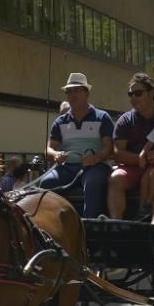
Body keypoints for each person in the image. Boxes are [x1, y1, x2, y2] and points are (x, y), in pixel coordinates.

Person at [38, 72, 114, 218]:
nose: (73, 95)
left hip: (94, 167)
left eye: (77, 90)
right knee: (46, 182)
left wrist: (96, 158)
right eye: (69, 91)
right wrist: (56, 155)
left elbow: (108, 147)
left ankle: (88, 225)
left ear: (87, 93)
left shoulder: (102, 117)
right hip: (67, 168)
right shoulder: (60, 122)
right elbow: (48, 149)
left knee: (93, 183)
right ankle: (51, 224)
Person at [108, 73, 154, 222]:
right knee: (115, 178)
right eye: (130, 94)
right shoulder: (125, 120)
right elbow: (117, 153)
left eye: (138, 93)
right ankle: (116, 226)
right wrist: (143, 159)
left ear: (151, 93)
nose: (133, 98)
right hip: (135, 167)